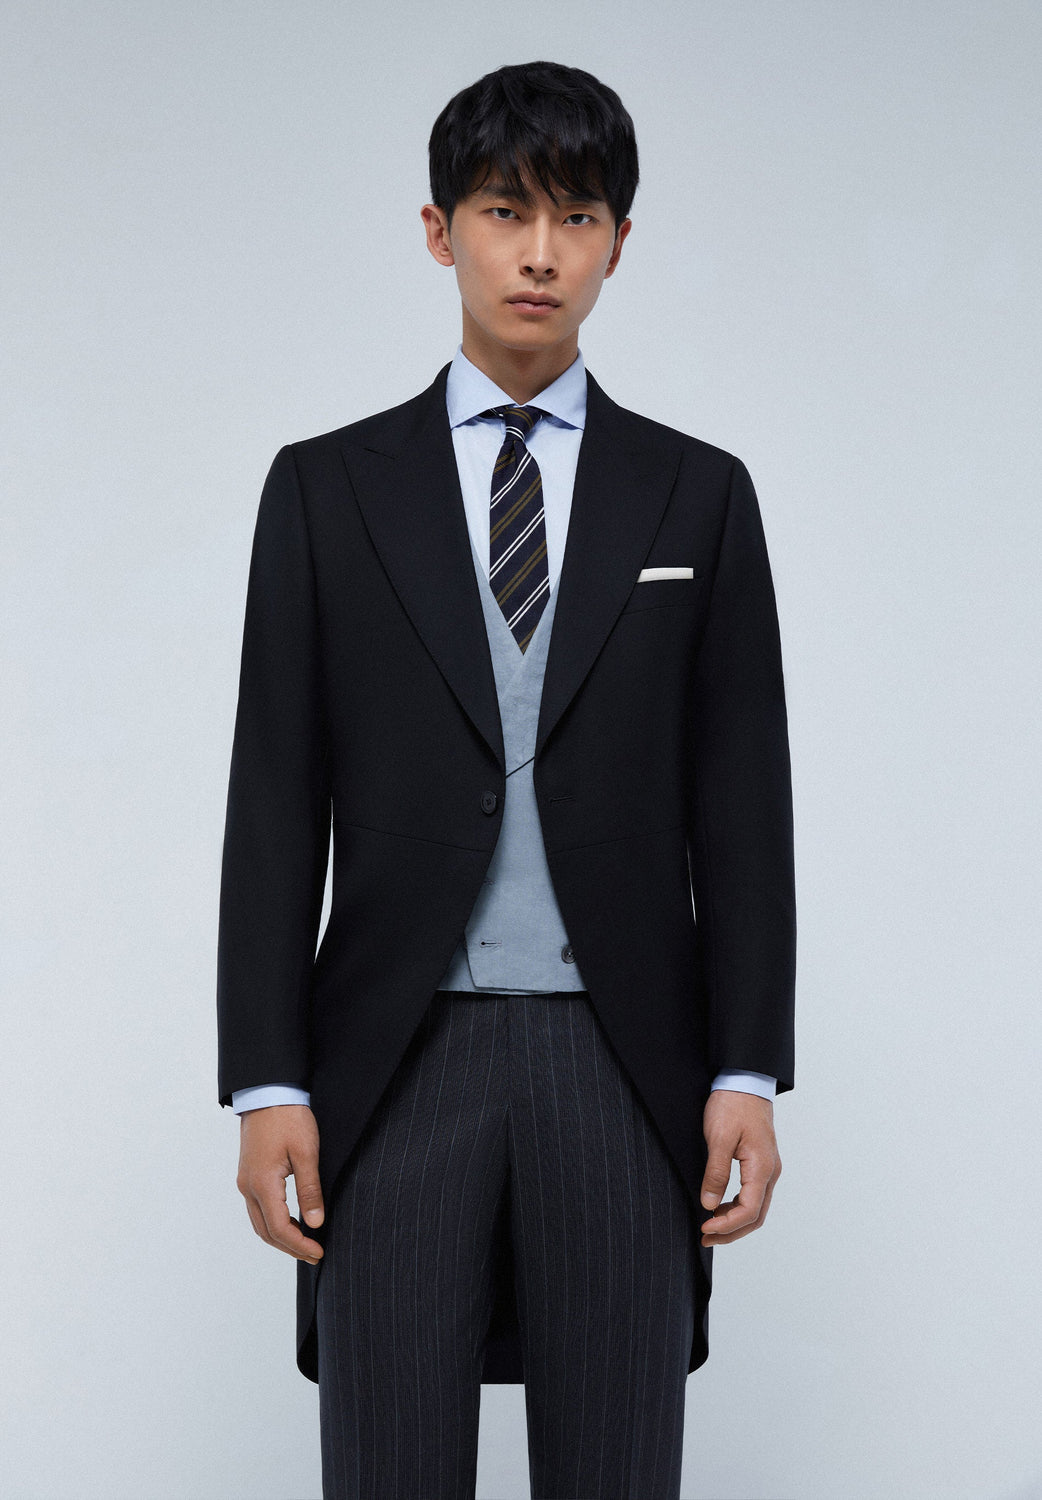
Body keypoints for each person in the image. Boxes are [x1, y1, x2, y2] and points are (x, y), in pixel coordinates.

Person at [217, 59, 796, 1500]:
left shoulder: (697, 495)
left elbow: (741, 805)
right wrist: (268, 1079)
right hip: (393, 1062)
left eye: (576, 217)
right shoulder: (326, 491)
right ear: (439, 231)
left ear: (618, 243)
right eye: (502, 211)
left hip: (623, 1059)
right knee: (387, 1466)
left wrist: (744, 1067)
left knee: (616, 1467)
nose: (539, 253)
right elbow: (275, 799)